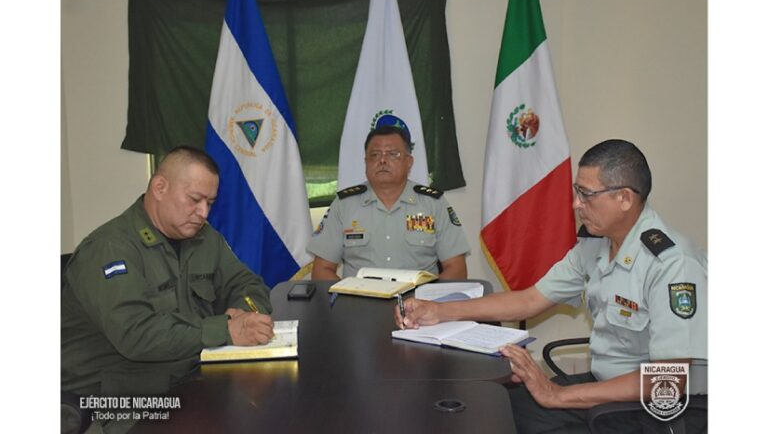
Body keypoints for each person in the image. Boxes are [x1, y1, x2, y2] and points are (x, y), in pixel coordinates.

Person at [396, 139, 707, 433]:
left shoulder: (671, 264)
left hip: (657, 409)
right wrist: (439, 311)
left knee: (511, 421)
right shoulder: (597, 244)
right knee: (495, 406)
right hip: (610, 389)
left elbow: (669, 379)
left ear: (624, 198)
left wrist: (556, 395)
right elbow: (530, 300)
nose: (575, 204)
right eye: (576, 192)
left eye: (586, 195)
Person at [62, 146, 275, 398]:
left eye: (210, 203)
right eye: (195, 200)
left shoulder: (204, 238)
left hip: (185, 379)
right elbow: (136, 335)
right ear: (160, 187)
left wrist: (241, 311)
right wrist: (226, 330)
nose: (204, 213)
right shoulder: (109, 248)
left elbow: (248, 283)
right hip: (112, 399)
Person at [308, 125, 470, 280]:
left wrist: (428, 300)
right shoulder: (344, 205)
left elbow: (456, 269)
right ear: (366, 162)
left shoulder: (434, 204)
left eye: (393, 154)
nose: (383, 160)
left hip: (419, 304)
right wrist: (347, 300)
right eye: (375, 154)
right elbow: (322, 270)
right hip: (360, 303)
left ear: (409, 162)